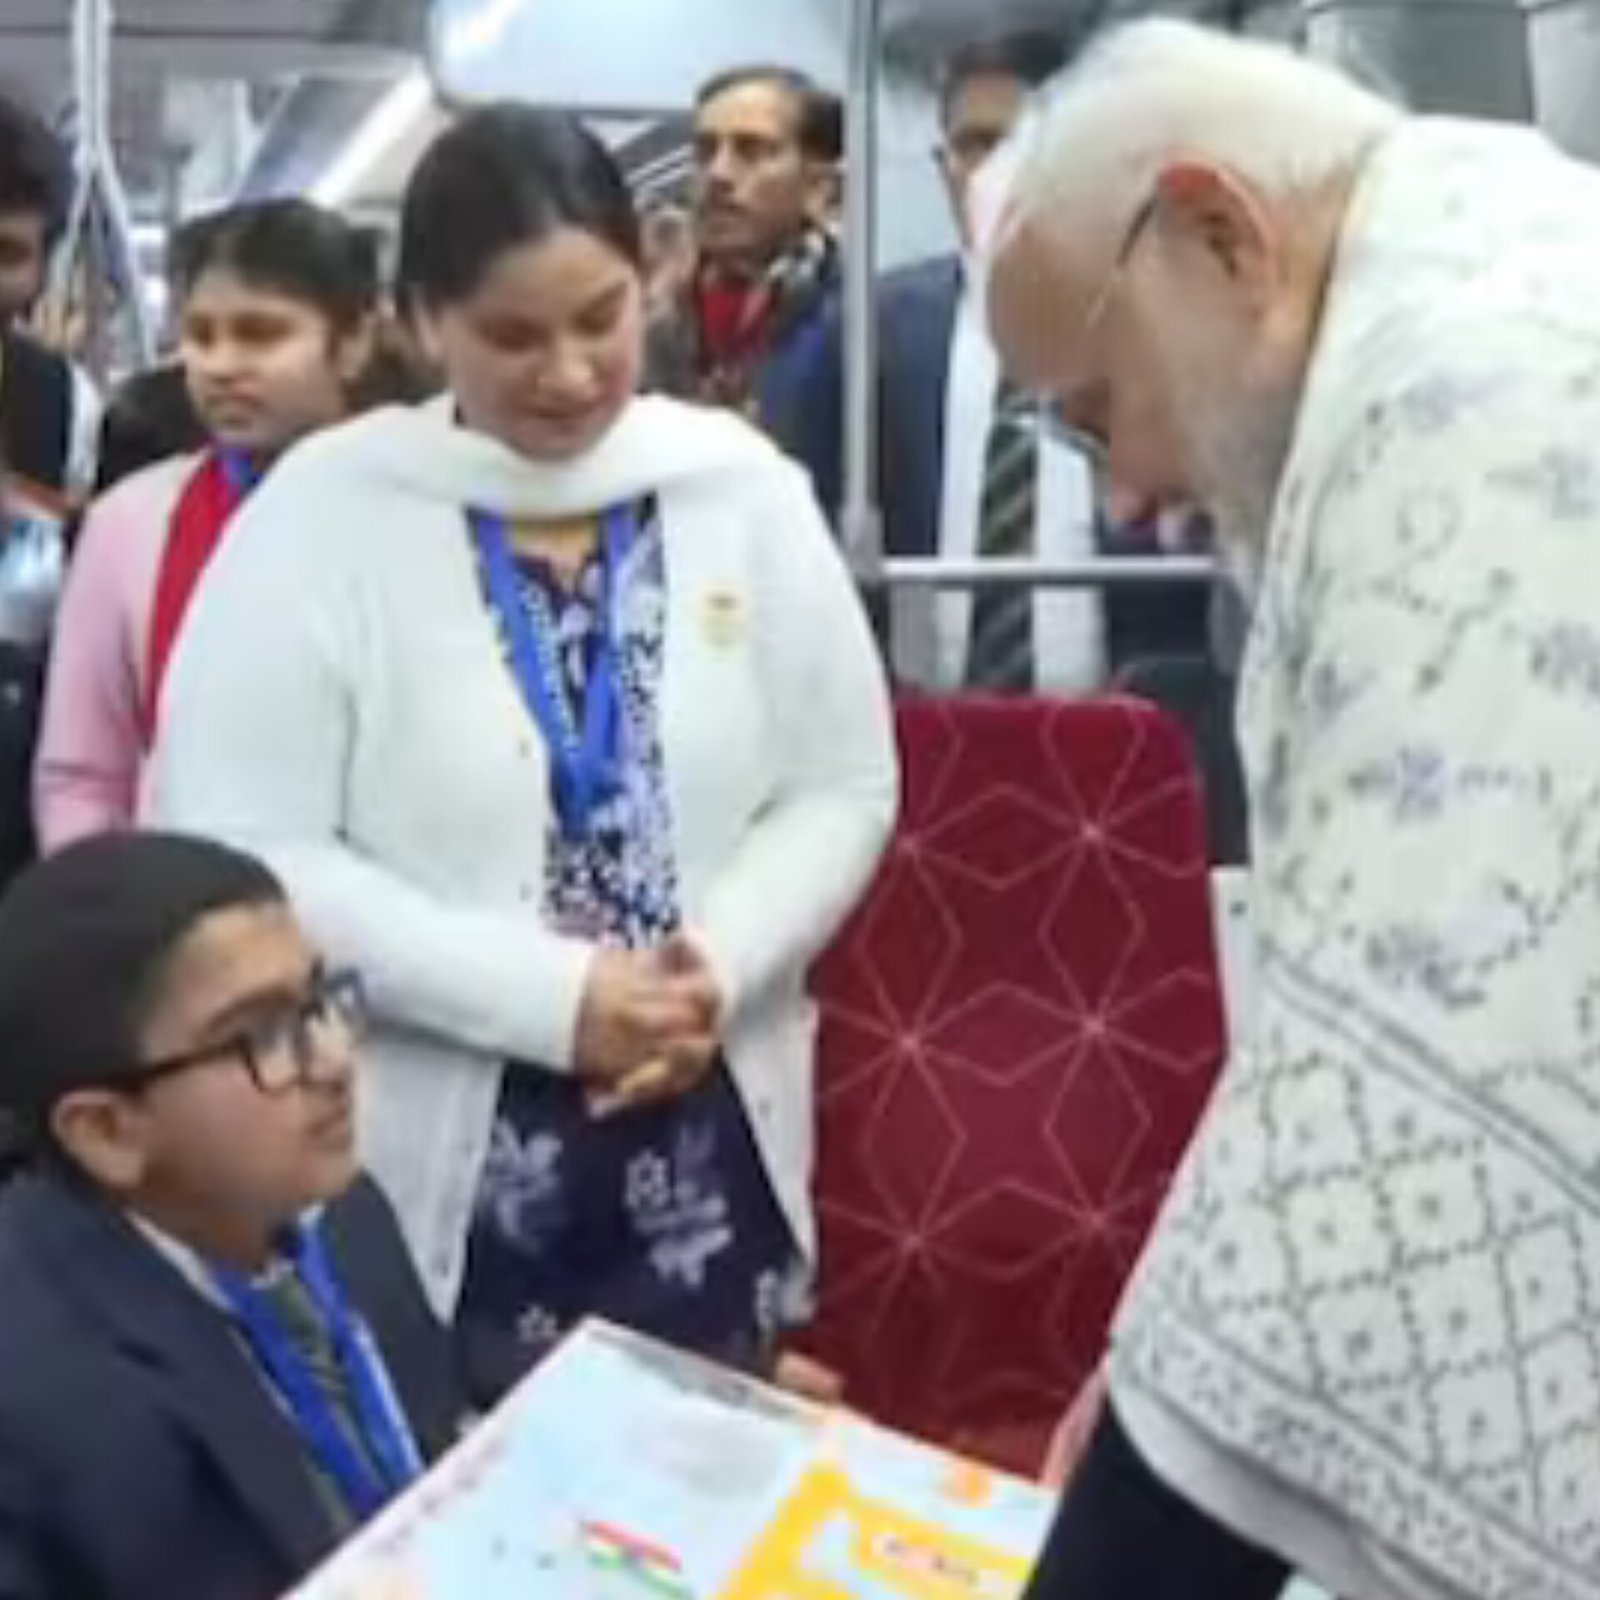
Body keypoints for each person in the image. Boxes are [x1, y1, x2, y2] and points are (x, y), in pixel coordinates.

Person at [981, 21, 1600, 1600]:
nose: (1123, 498)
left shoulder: (1480, 401)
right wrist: (1173, 1339)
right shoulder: (1497, 260)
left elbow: (1411, 1124)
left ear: (1220, 233)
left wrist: (1182, 1438)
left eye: (1096, 408)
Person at [147, 106, 897, 1407]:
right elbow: (246, 848)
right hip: (432, 1157)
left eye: (600, 318)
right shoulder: (325, 517)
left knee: (703, 1474)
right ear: (421, 322)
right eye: (512, 336)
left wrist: (708, 972)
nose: (568, 372)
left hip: (704, 1120)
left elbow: (841, 784)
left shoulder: (738, 489)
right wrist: (559, 999)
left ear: (648, 275)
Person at [0, 831, 464, 1600]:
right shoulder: (33, 1401)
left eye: (319, 1002)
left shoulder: (341, 1209)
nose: (334, 1060)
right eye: (261, 1036)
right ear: (108, 1132)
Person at [32, 199, 379, 853]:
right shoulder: (130, 527)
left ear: (353, 342)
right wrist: (110, 899)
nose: (221, 365)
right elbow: (83, 775)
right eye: (200, 336)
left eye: (261, 334)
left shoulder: (426, 516)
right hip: (177, 900)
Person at [645, 66, 842, 497]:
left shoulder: (859, 327)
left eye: (751, 151)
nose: (718, 174)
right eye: (705, 151)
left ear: (820, 188)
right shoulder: (648, 319)